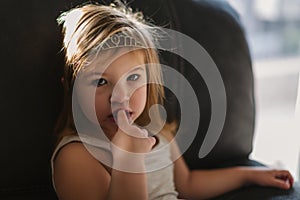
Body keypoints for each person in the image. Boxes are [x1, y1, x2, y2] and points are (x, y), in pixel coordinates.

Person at [51, 2, 294, 200]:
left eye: (134, 77)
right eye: (101, 82)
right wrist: (129, 159)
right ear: (70, 88)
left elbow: (187, 184)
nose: (120, 97)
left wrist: (248, 176)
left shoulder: (156, 127)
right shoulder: (77, 156)